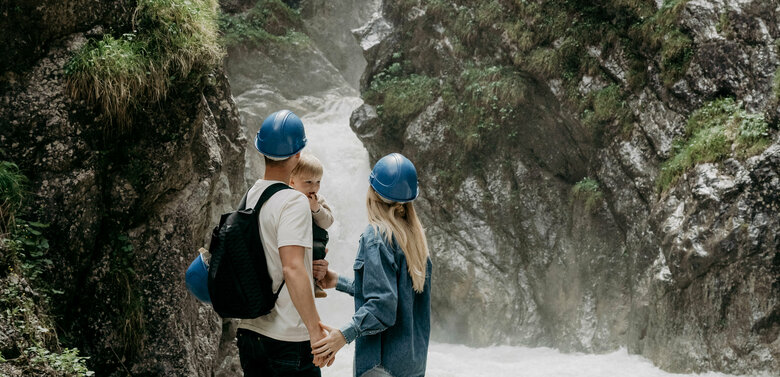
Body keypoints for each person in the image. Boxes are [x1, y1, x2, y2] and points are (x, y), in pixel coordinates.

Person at [312, 153, 432, 377]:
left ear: (373, 193)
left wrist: (343, 335)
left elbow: (383, 306)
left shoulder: (377, 236)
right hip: (412, 365)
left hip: (381, 365)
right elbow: (394, 295)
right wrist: (339, 282)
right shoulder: (415, 239)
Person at [236, 109, 333, 376]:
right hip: (287, 339)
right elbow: (292, 268)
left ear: (261, 151)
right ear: (298, 154)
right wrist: (315, 331)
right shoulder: (294, 201)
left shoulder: (251, 196)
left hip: (251, 332)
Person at [289, 152, 334, 298]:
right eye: (308, 182)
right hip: (295, 243)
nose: (314, 187)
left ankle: (314, 284)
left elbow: (328, 222)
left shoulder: (319, 200)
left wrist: (316, 209)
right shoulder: (288, 198)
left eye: (318, 182)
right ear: (292, 181)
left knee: (318, 252)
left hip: (315, 241)